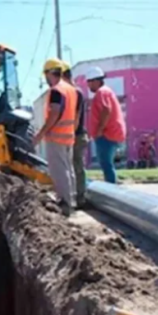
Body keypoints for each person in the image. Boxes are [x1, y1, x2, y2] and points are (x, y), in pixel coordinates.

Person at [33, 58, 77, 216]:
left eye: (45, 74)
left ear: (50, 73)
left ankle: (65, 204)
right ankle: (71, 200)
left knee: (59, 171)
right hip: (68, 136)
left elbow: (54, 113)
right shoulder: (70, 89)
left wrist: (41, 134)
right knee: (67, 169)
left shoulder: (57, 90)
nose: (45, 78)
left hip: (56, 136)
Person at [86, 67, 126, 184]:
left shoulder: (101, 92)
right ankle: (111, 186)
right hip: (112, 133)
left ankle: (111, 189)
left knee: (106, 164)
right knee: (107, 164)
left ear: (96, 81)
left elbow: (106, 110)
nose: (89, 86)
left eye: (89, 82)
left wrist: (99, 130)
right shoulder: (107, 91)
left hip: (107, 134)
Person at [61, 61, 89, 208]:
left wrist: (69, 135)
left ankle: (80, 198)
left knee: (76, 167)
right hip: (75, 135)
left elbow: (75, 117)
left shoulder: (75, 93)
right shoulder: (73, 92)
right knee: (72, 166)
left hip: (76, 136)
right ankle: (75, 197)